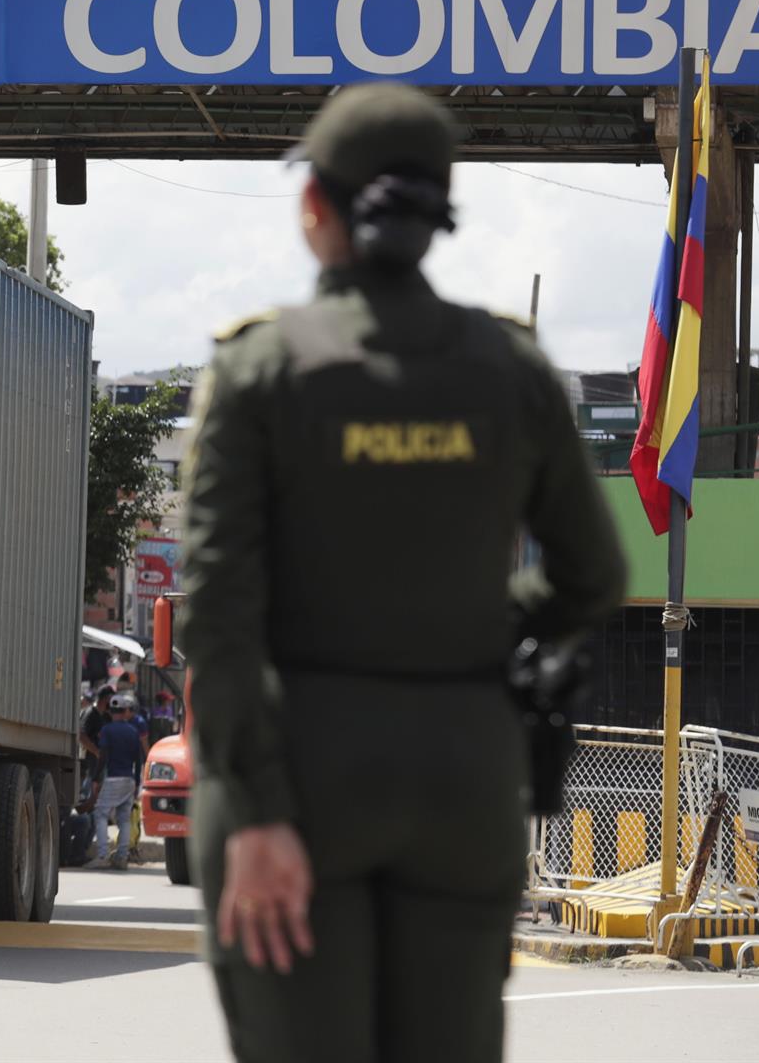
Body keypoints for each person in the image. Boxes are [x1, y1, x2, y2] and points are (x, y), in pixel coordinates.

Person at [175, 85, 625, 1063]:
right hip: (464, 776)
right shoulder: (509, 367)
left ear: (315, 208)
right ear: (437, 209)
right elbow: (593, 572)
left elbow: (216, 610)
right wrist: (477, 620)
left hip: (298, 776)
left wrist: (254, 812)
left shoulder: (264, 369)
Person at [92, 695, 145, 869]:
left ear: (111, 711)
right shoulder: (133, 731)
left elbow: (103, 756)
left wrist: (95, 778)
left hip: (114, 778)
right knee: (124, 818)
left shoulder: (107, 730)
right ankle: (122, 857)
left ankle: (102, 855)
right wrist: (137, 783)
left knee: (100, 814)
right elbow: (139, 760)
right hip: (129, 779)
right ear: (125, 711)